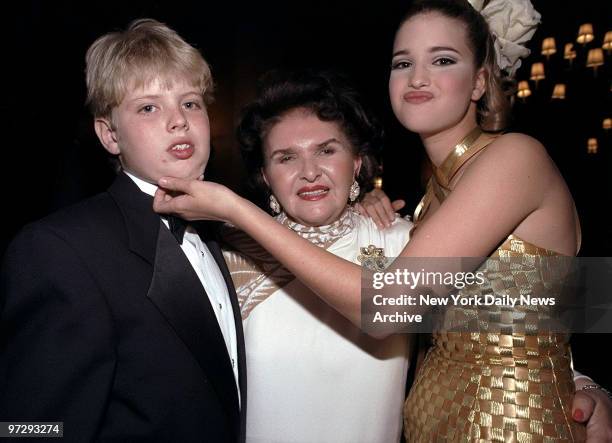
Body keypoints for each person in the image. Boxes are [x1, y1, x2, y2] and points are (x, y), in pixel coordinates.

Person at [153, 1, 612, 441]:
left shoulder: (510, 158)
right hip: (436, 425)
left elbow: (391, 308)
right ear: (265, 175)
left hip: (506, 425)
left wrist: (580, 383)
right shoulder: (430, 204)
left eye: (443, 60)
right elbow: (535, 298)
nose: (417, 78)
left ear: (480, 81)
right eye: (402, 63)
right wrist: (585, 380)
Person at [0, 19, 246, 442]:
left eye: (190, 103)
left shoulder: (221, 234)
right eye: (148, 107)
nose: (178, 121)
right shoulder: (60, 250)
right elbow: (28, 429)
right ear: (109, 134)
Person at [222, 70, 413, 442]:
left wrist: (561, 379)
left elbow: (523, 304)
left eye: (326, 150)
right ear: (265, 176)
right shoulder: (233, 258)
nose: (309, 172)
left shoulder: (399, 243)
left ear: (356, 162)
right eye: (286, 158)